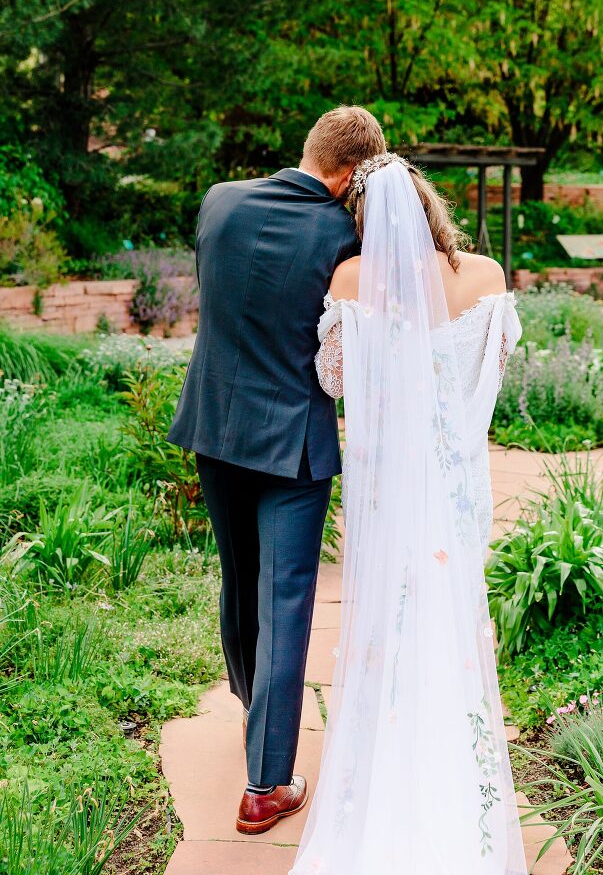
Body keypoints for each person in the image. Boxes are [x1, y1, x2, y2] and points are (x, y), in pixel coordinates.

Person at [291, 154, 527, 874]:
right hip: (457, 481)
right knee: (451, 615)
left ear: (366, 220)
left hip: (390, 485)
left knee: (389, 623)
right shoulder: (485, 276)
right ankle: (452, 767)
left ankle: (390, 764)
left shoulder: (353, 280)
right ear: (431, 207)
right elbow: (494, 368)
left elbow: (332, 379)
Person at [167, 105, 387, 835]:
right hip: (292, 442)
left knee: (240, 580)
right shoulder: (345, 236)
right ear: (351, 174)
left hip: (215, 426)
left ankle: (253, 711)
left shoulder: (219, 201)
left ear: (311, 150)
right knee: (285, 598)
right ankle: (265, 785)